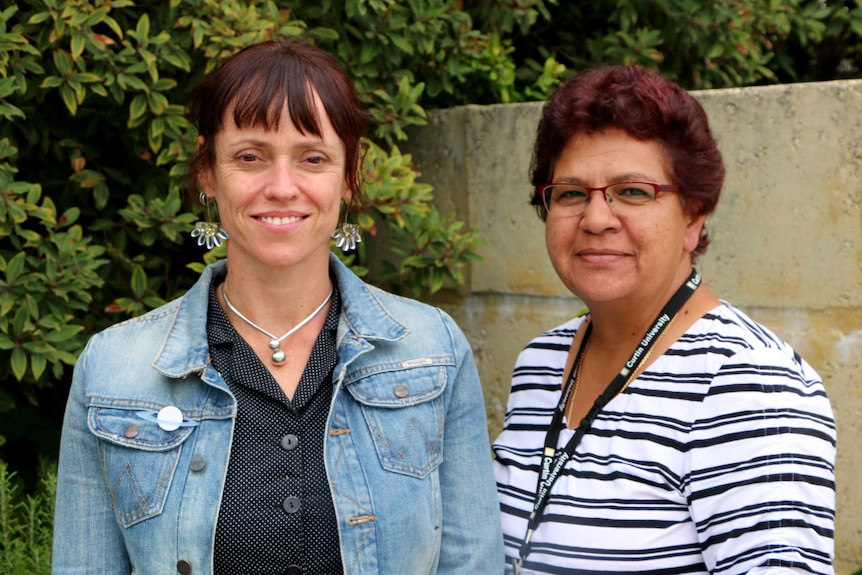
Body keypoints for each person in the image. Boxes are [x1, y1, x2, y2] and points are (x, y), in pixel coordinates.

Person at [52, 39, 504, 575]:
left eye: (313, 158)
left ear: (350, 174)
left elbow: (470, 562)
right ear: (207, 171)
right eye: (250, 157)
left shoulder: (434, 348)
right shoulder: (113, 368)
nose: (282, 187)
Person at [493, 65, 836, 575]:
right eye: (571, 193)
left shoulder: (749, 384)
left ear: (694, 216)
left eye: (632, 192)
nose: (596, 218)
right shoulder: (540, 362)